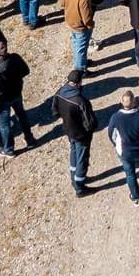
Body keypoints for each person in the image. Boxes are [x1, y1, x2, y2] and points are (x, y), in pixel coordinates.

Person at [0, 46, 36, 157]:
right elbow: (26, 71)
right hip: (17, 94)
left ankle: (8, 150)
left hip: (3, 100)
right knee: (22, 116)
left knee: (4, 125)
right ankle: (30, 140)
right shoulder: (15, 57)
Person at [53, 69, 98, 197]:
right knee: (82, 158)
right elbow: (89, 123)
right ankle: (80, 187)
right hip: (81, 134)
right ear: (79, 82)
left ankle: (74, 177)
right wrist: (91, 129)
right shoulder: (80, 101)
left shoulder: (59, 92)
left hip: (68, 130)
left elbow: (55, 112)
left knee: (74, 153)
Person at [61, 0, 98, 72]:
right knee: (81, 49)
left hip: (71, 21)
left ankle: (83, 62)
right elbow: (87, 19)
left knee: (77, 45)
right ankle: (81, 70)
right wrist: (91, 25)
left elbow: (62, 3)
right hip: (81, 27)